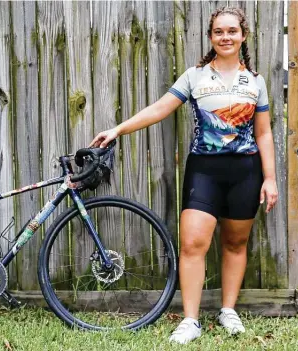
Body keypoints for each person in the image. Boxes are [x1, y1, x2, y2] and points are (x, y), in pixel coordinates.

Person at [90, 6, 278, 344]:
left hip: (245, 172)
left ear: (243, 36)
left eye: (232, 31)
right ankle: (190, 320)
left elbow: (263, 133)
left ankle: (228, 310)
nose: (226, 37)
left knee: (235, 242)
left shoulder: (256, 82)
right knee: (192, 243)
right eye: (219, 31)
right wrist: (118, 129)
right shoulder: (195, 76)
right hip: (203, 170)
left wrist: (270, 178)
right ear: (210, 37)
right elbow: (161, 107)